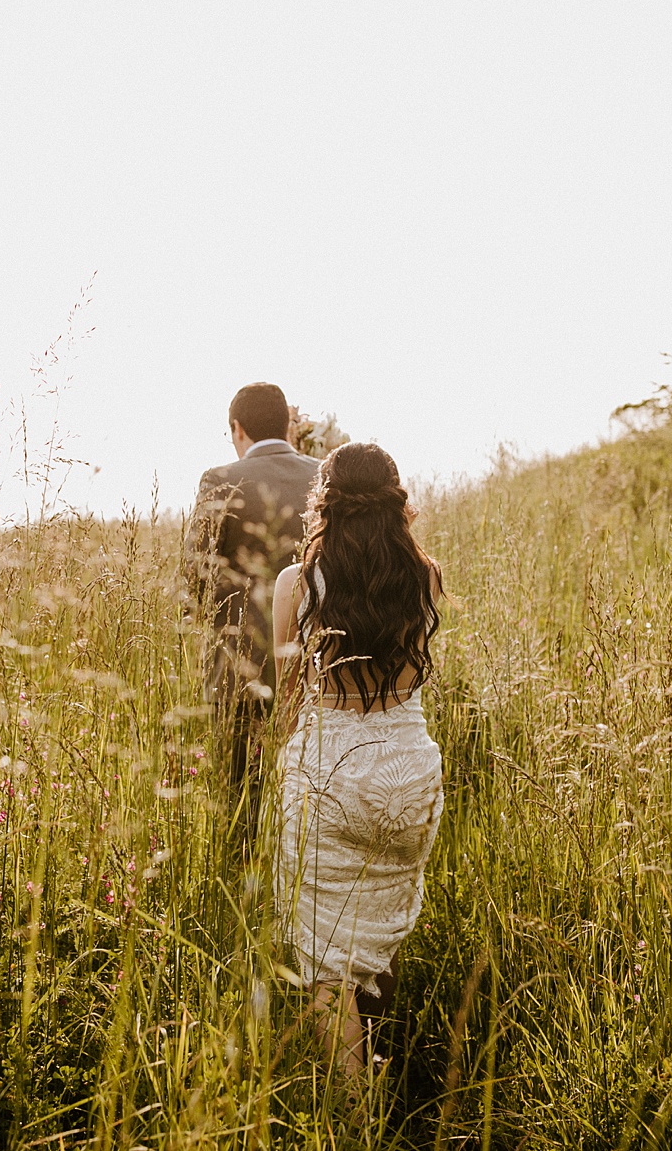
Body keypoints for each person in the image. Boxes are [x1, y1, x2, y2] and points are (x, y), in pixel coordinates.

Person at [271, 441, 445, 1085]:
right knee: (381, 930)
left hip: (329, 770)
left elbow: (286, 691)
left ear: (325, 503)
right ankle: (377, 1061)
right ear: (398, 501)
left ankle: (352, 1114)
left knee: (326, 962)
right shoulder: (424, 574)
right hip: (409, 770)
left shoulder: (297, 583)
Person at [188, 382, 321, 830]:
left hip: (238, 673)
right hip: (317, 667)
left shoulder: (220, 480)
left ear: (236, 428)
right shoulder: (325, 476)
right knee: (308, 805)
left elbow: (194, 582)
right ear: (288, 425)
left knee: (240, 807)